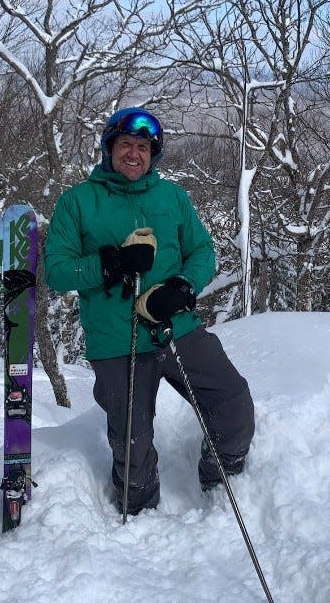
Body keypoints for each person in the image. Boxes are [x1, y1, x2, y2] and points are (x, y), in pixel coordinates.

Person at [45, 107, 255, 515]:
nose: (134, 154)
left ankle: (222, 484)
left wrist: (182, 286)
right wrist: (110, 264)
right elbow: (56, 270)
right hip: (117, 340)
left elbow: (202, 251)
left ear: (153, 154)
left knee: (232, 401)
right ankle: (139, 511)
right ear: (109, 148)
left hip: (176, 328)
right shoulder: (78, 201)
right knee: (133, 441)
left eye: (143, 147)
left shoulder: (171, 197)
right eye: (126, 144)